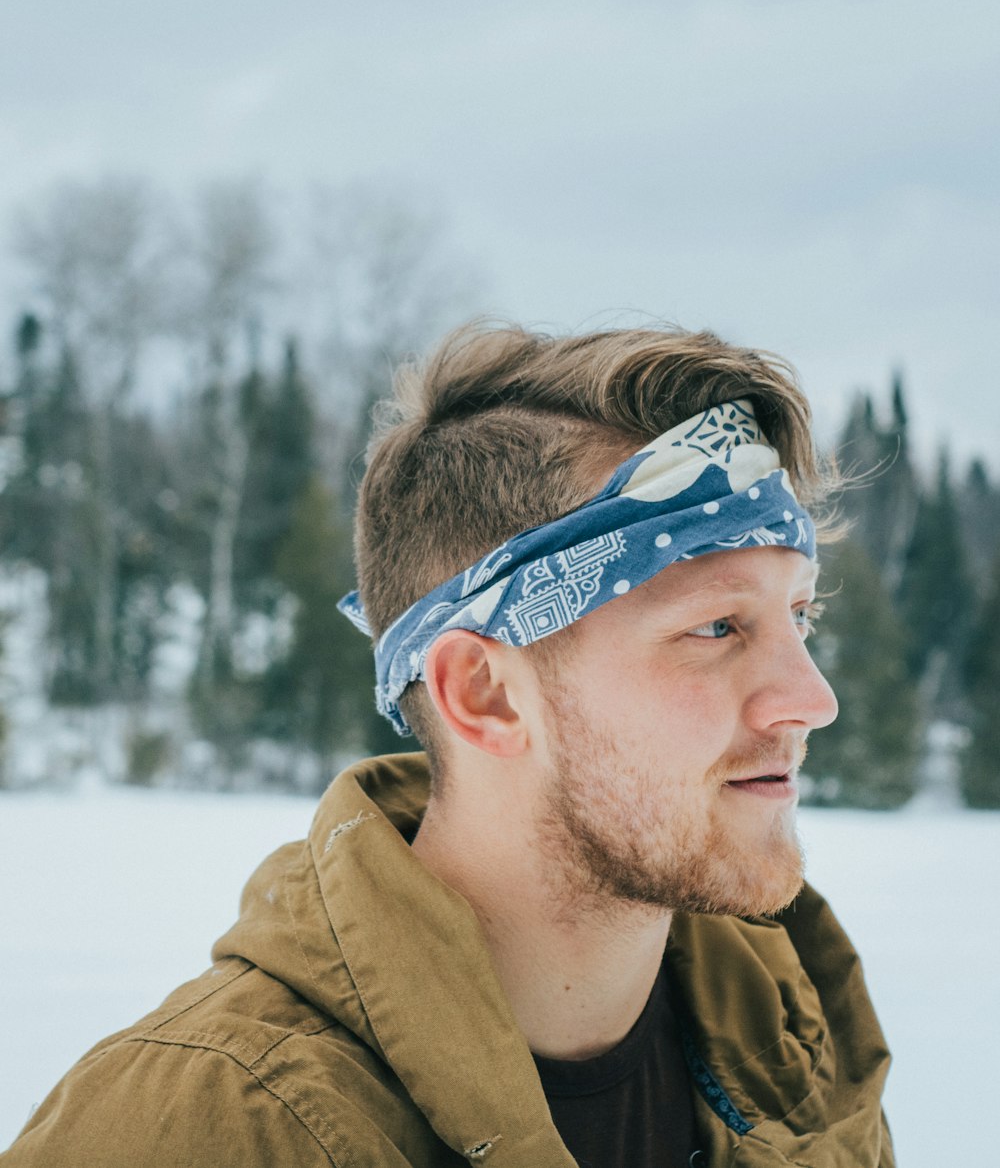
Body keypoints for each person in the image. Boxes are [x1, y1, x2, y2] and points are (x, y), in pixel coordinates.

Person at [2, 323, 894, 1167]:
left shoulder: (792, 1047)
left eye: (800, 615)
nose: (812, 700)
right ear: (484, 692)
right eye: (717, 627)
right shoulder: (207, 1131)